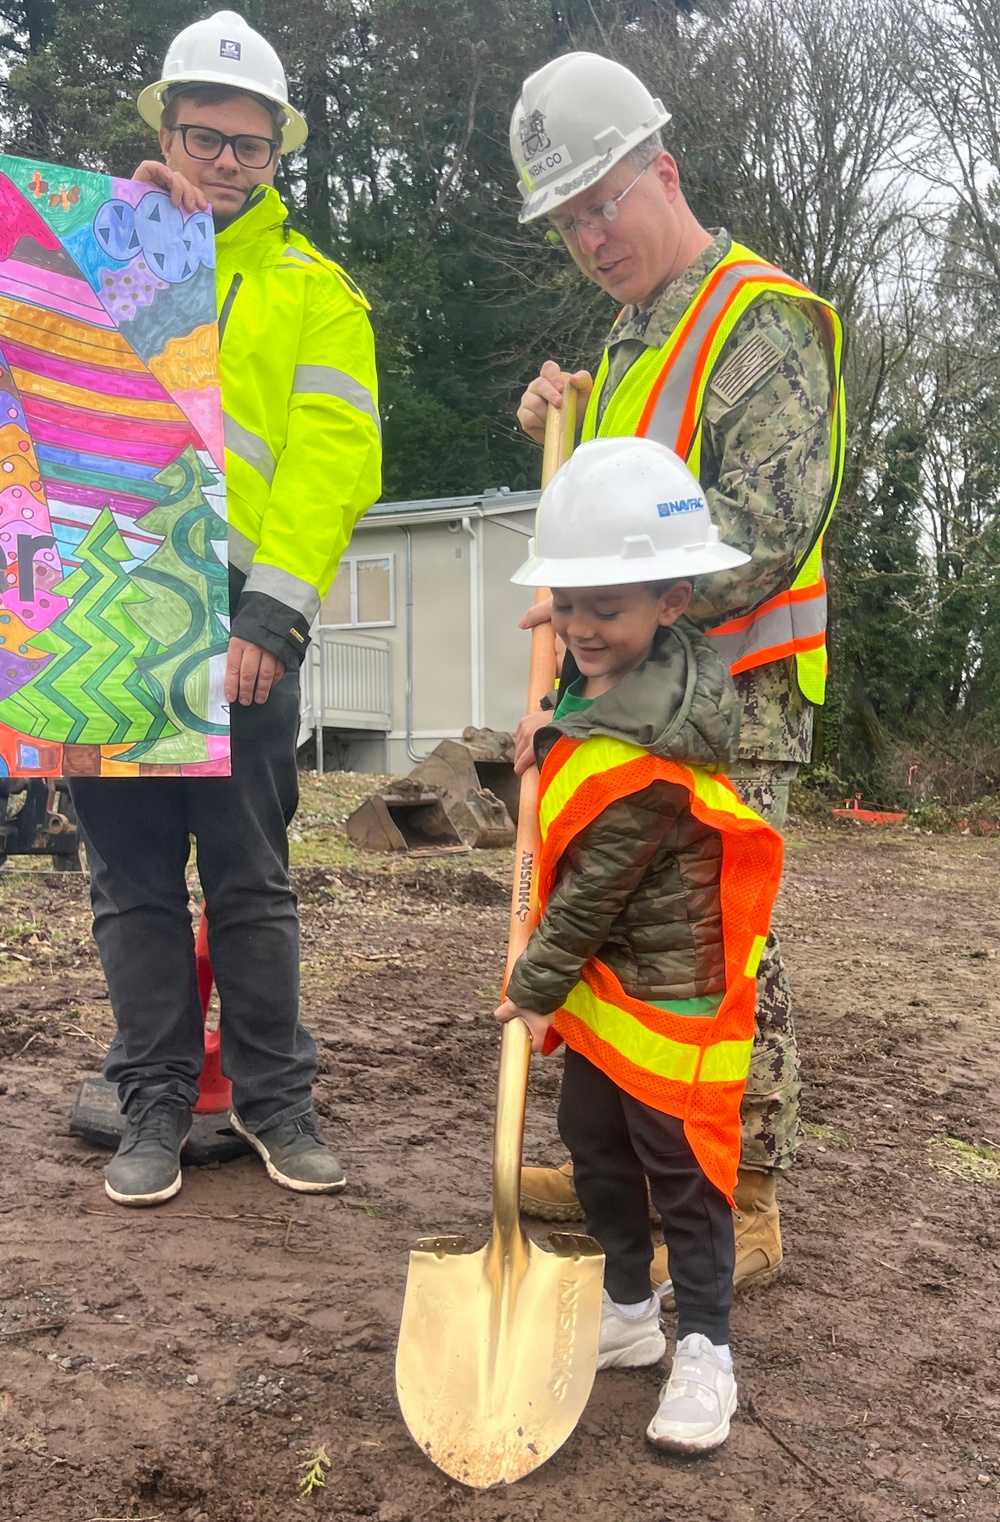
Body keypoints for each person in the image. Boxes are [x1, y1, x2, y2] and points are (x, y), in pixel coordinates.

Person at [507, 51, 845, 1298]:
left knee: (714, 945)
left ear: (664, 170)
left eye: (605, 199)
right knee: (612, 929)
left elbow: (763, 524)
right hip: (627, 696)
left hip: (729, 700)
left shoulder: (757, 316)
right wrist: (564, 416)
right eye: (569, 218)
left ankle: (740, 1191)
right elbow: (619, 498)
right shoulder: (633, 332)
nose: (591, 234)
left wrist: (595, 612)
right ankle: (641, 1178)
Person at [69, 11, 381, 1206]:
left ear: (276, 155)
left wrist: (274, 616)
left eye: (252, 148)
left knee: (248, 879)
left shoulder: (315, 292)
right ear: (165, 126)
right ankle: (152, 1104)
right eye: (206, 137)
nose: (226, 163)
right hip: (110, 618)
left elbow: (335, 457)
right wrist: (115, 246)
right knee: (130, 886)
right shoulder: (89, 261)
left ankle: (273, 1102)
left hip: (242, 629)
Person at [494, 436, 782, 1452]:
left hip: (667, 993)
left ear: (670, 602)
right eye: (563, 602)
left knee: (683, 1167)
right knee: (594, 1145)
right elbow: (589, 709)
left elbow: (592, 897)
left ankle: (706, 1345)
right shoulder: (620, 674)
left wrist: (530, 990)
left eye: (602, 609)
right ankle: (627, 1311)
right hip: (613, 990)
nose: (576, 627)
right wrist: (553, 725)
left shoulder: (653, 747)